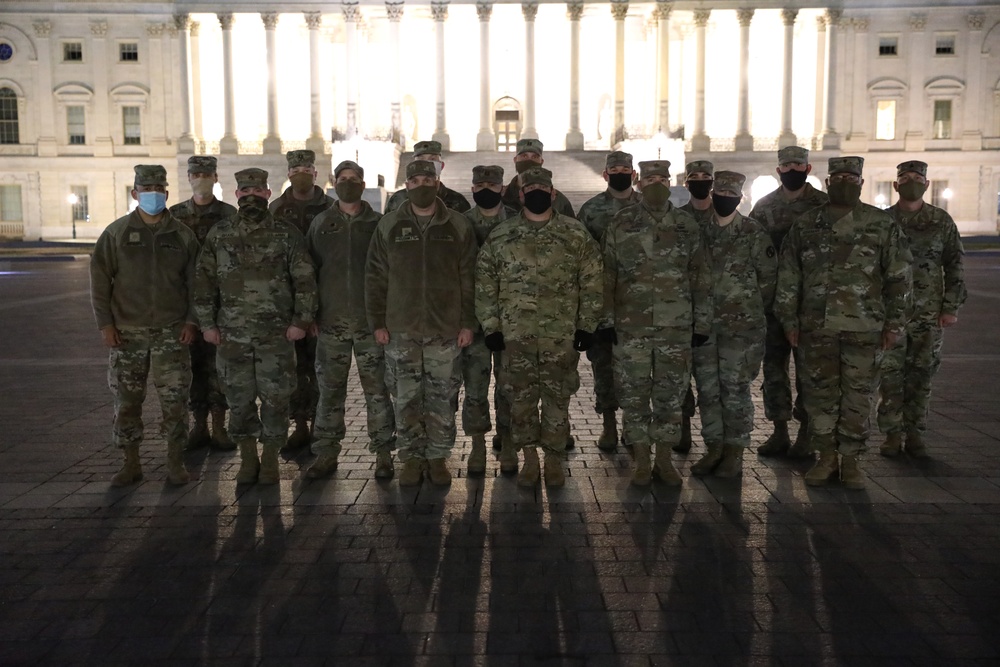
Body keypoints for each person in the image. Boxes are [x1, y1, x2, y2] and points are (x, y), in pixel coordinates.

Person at [775, 156, 910, 490]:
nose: (845, 182)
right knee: (820, 396)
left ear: (862, 183)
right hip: (815, 327)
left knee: (858, 396)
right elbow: (790, 276)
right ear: (827, 181)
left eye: (852, 177)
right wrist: (789, 319)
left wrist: (894, 324)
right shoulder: (807, 224)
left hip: (865, 327)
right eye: (838, 177)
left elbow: (899, 278)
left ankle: (850, 461)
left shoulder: (881, 224)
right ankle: (826, 458)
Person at [476, 166, 602, 488]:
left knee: (558, 401)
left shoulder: (574, 235)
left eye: (541, 190)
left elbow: (592, 281)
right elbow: (485, 282)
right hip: (514, 338)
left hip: (560, 338)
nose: (535, 194)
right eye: (528, 189)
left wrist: (587, 325)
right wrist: (491, 327)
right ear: (520, 195)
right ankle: (529, 458)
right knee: (521, 402)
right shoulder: (502, 236)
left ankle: (554, 460)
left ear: (553, 194)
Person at [195, 168, 317, 485]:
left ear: (268, 193)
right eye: (245, 192)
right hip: (232, 336)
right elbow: (204, 282)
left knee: (277, 399)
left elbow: (304, 281)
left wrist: (300, 321)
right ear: (236, 195)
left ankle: (271, 460)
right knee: (238, 400)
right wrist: (207, 324)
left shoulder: (286, 234)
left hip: (276, 335)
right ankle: (248, 459)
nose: (252, 197)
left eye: (258, 191)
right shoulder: (219, 234)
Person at [366, 160, 478, 487]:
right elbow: (375, 278)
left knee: (442, 398)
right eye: (414, 180)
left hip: (445, 330)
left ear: (437, 181)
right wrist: (378, 322)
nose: (421, 184)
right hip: (401, 329)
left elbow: (469, 278)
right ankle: (412, 458)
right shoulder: (389, 225)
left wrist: (467, 322)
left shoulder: (457, 225)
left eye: (427, 178)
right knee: (406, 398)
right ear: (406, 184)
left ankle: (438, 456)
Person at [602, 160, 712, 486]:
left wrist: (702, 323)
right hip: (630, 325)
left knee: (670, 395)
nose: (656, 183)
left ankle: (664, 458)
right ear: (639, 181)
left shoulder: (686, 225)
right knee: (634, 394)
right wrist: (605, 319)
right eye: (649, 178)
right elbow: (607, 273)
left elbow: (700, 276)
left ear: (670, 181)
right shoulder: (620, 222)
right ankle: (640, 459)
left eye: (661, 178)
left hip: (675, 326)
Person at [90, 164, 201, 487]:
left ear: (166, 194)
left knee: (176, 399)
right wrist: (105, 324)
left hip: (172, 331)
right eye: (146, 189)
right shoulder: (117, 233)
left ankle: (175, 461)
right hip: (127, 333)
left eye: (158, 189)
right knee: (126, 400)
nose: (152, 194)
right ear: (135, 193)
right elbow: (99, 281)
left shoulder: (182, 235)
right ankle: (130, 462)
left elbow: (196, 283)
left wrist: (192, 321)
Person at [305, 160, 396, 480]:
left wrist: (385, 318)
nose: (348, 183)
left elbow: (389, 274)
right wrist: (311, 314)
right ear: (334, 182)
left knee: (378, 391)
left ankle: (384, 453)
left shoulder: (378, 223)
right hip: (331, 323)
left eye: (354, 179)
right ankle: (326, 453)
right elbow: (309, 273)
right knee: (329, 391)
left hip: (371, 324)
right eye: (342, 179)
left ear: (362, 183)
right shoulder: (321, 223)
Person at [688, 171, 777, 478]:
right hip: (703, 328)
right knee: (708, 391)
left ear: (740, 199)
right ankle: (714, 447)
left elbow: (768, 281)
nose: (725, 200)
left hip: (741, 331)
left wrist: (746, 309)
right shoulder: (699, 231)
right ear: (712, 196)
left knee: (735, 390)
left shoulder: (753, 233)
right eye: (720, 195)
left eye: (731, 196)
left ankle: (735, 452)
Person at [877, 160, 966, 458]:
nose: (912, 182)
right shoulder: (883, 221)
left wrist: (950, 307)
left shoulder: (941, 221)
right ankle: (891, 434)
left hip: (929, 316)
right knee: (890, 376)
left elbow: (955, 265)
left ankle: (914, 433)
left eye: (918, 178)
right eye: (906, 178)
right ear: (896, 184)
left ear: (927, 184)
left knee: (921, 376)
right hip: (891, 316)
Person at [749, 146, 830, 458]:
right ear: (778, 169)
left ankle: (807, 433)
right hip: (771, 304)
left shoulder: (822, 205)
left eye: (798, 164)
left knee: (809, 371)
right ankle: (779, 431)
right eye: (787, 165)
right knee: (773, 369)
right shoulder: (765, 206)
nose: (792, 169)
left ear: (808, 169)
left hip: (811, 304)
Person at [168, 155, 237, 451]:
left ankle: (220, 426)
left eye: (207, 173)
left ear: (216, 177)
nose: (201, 178)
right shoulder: (174, 215)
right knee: (192, 367)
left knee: (219, 368)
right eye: (196, 173)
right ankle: (199, 425)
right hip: (185, 306)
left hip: (221, 306)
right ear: (188, 177)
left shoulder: (228, 214)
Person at [269, 149, 335, 450]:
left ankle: (321, 425)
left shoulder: (331, 208)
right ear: (288, 173)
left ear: (315, 172)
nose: (302, 173)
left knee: (322, 369)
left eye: (307, 168)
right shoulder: (276, 209)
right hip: (288, 304)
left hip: (325, 302)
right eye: (296, 169)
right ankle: (300, 424)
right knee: (294, 368)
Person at [576, 151, 642, 451]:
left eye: (625, 168)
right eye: (614, 169)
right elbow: (582, 257)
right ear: (605, 175)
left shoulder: (648, 208)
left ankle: (632, 423)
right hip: (602, 302)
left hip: (639, 304)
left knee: (637, 369)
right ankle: (608, 425)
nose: (620, 173)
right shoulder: (591, 210)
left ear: (634, 174)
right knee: (603, 367)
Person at [462, 165, 517, 474]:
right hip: (474, 320)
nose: (485, 189)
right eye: (479, 183)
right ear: (472, 188)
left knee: (509, 385)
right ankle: (477, 445)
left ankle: (507, 442)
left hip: (511, 318)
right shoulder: (461, 223)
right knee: (475, 386)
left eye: (491, 184)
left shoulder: (516, 221)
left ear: (502, 187)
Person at [674, 160, 716, 452]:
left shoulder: (726, 215)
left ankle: (716, 442)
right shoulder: (678, 220)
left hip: (722, 314)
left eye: (706, 177)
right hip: (684, 311)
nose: (700, 181)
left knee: (713, 382)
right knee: (680, 378)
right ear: (685, 182)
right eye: (694, 177)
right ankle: (683, 430)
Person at [384, 140, 472, 213]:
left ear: (441, 166)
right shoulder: (398, 200)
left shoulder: (458, 201)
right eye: (421, 160)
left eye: (432, 159)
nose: (427, 164)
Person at [500, 139, 576, 218]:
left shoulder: (559, 200)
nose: (529, 160)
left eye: (534, 157)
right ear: (515, 160)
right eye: (524, 156)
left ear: (541, 161)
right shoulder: (501, 197)